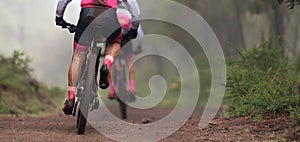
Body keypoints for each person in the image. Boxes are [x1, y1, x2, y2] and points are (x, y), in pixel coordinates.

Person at [55, 0, 141, 115]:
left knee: (78, 57)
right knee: (115, 42)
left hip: (87, 15)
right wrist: (134, 28)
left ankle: (70, 98)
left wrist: (59, 17)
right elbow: (133, 6)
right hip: (109, 17)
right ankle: (106, 64)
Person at [108, 4, 144, 101]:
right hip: (126, 37)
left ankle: (111, 89)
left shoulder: (111, 11)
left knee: (110, 60)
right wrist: (139, 46)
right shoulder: (128, 14)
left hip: (113, 35)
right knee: (129, 61)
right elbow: (139, 33)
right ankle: (132, 88)